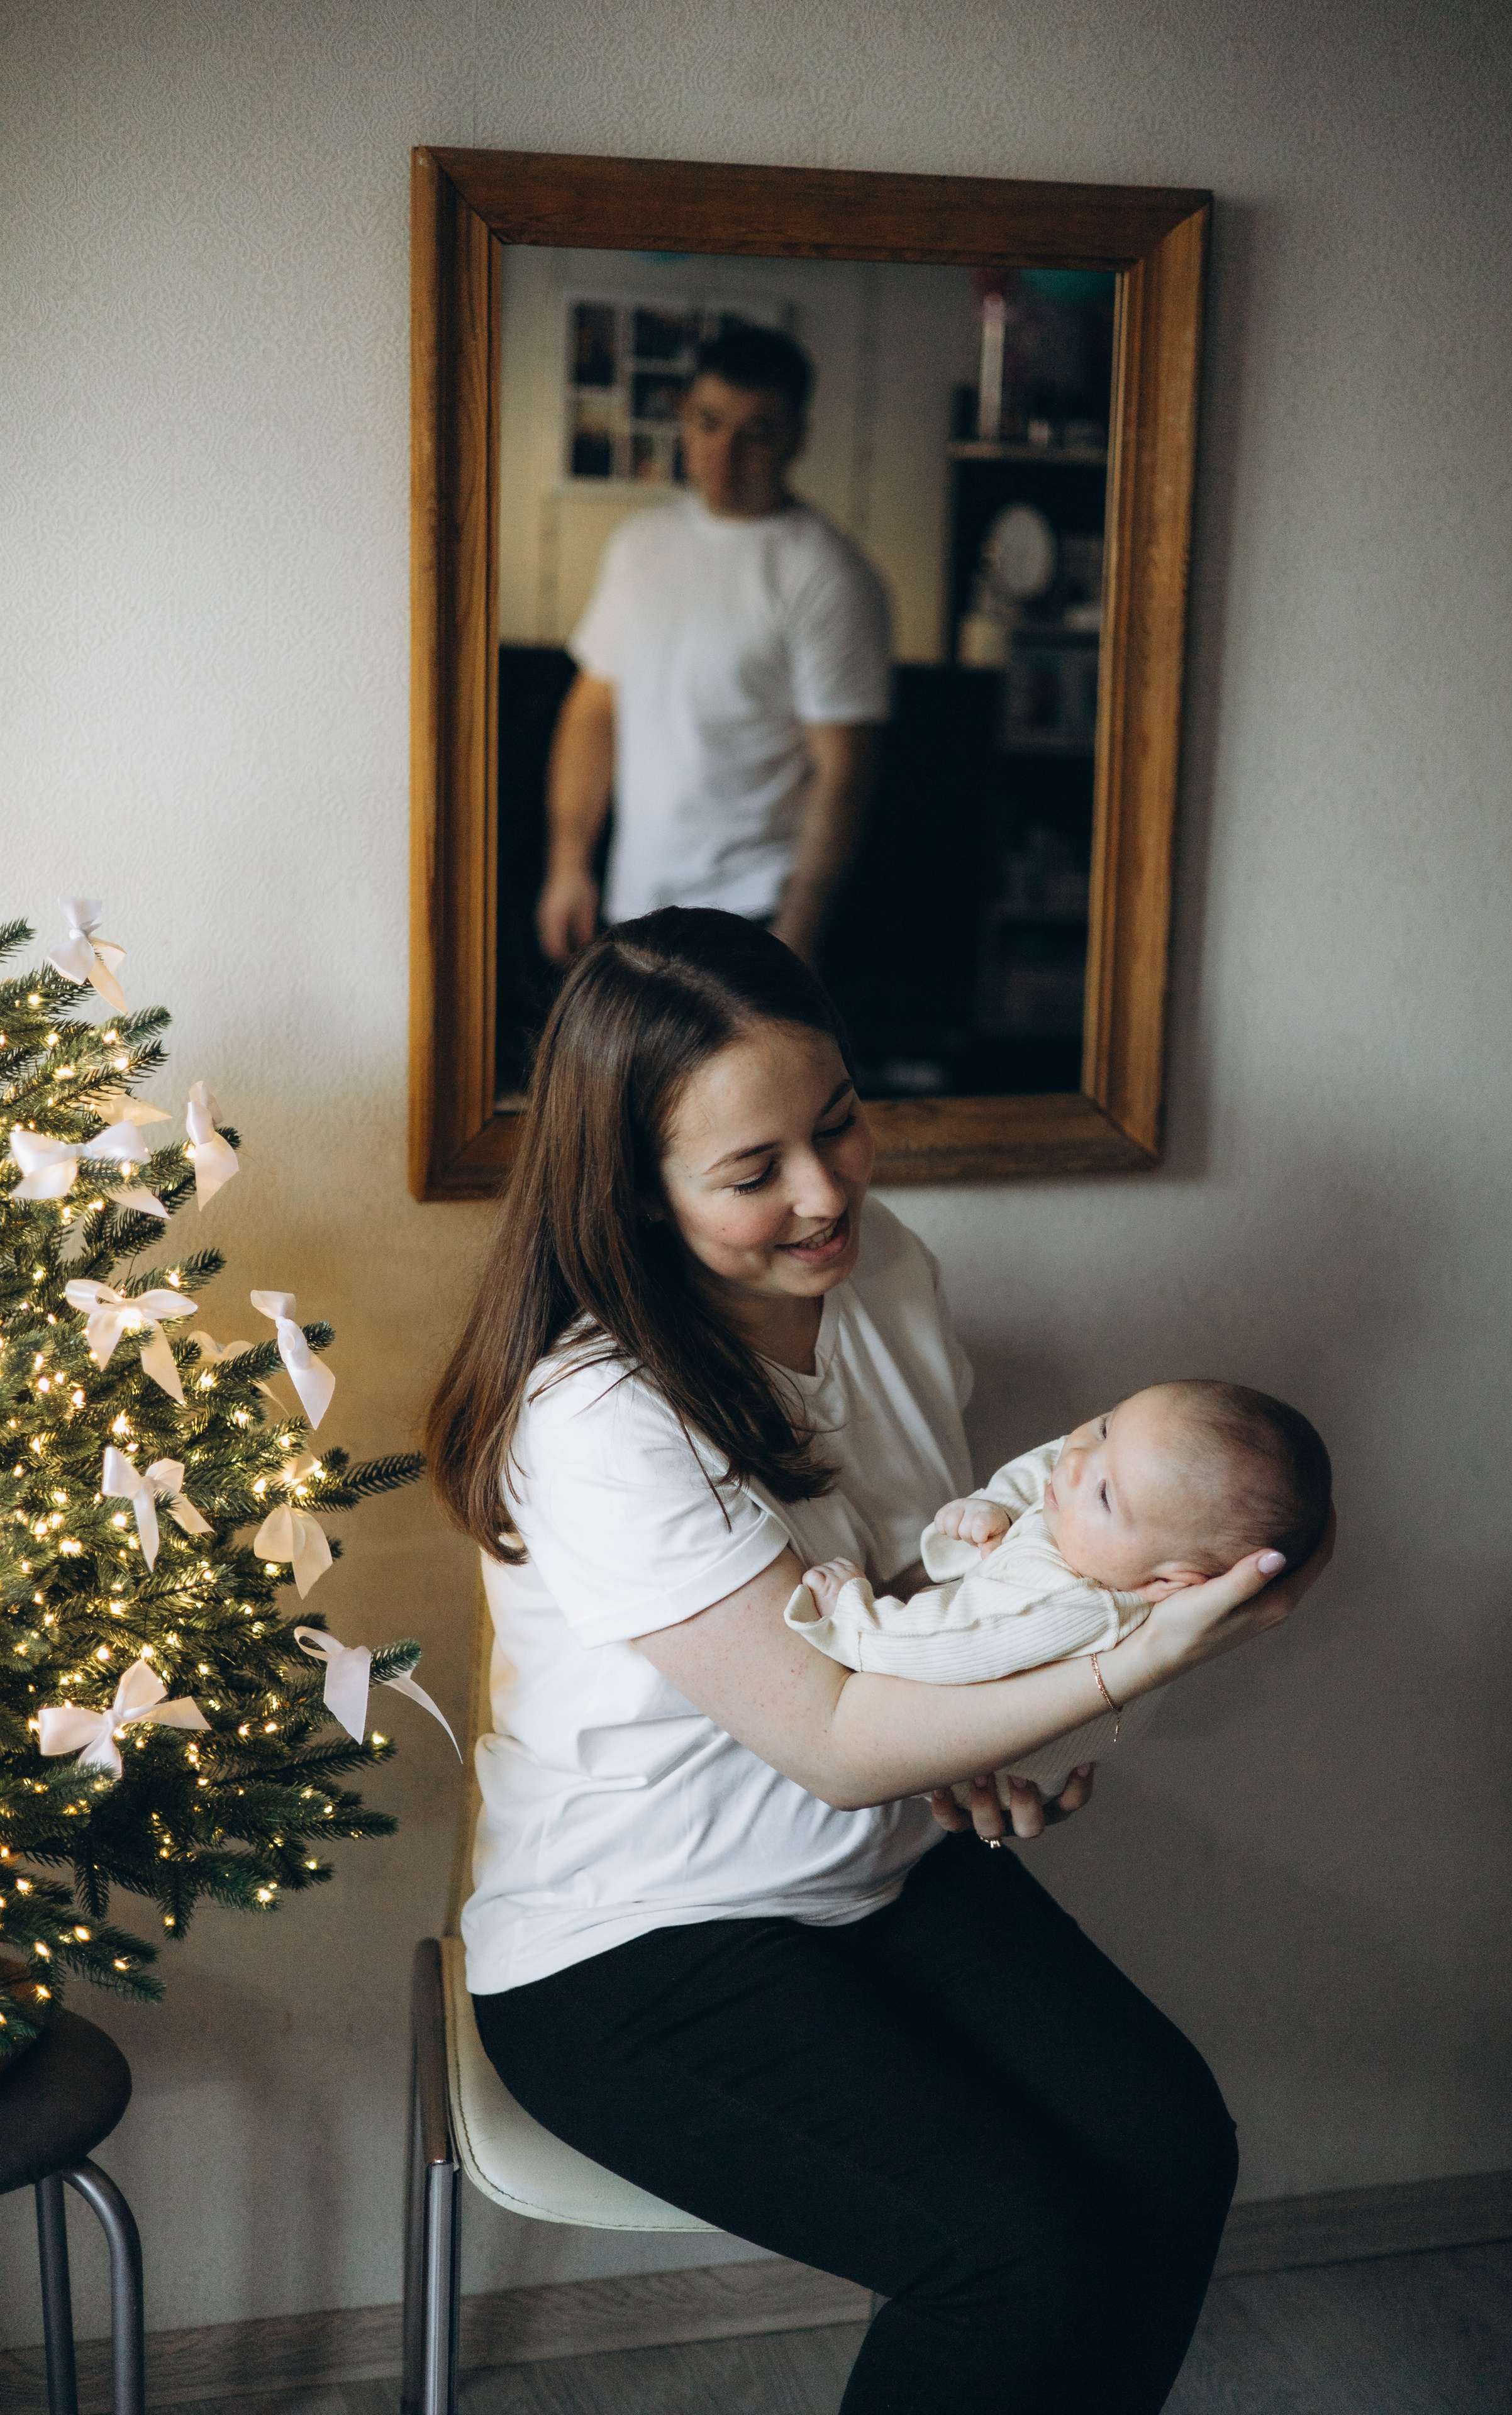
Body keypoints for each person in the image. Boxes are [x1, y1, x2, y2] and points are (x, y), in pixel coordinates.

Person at [426, 908, 1333, 2414]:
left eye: (837, 1121)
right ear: (637, 1197)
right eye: (750, 1171)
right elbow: (834, 1734)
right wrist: (1134, 1660)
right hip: (637, 1944)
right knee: (1012, 2255)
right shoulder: (598, 1420)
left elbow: (936, 1592)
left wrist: (990, 1746)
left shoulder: (888, 1271)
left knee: (1170, 2140)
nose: (824, 1189)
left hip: (882, 1869)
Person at [786, 1380, 1333, 1802]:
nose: (1073, 1461)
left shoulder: (1066, 1602)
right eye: (1105, 1427)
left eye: (1103, 1495)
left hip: (989, 1772)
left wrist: (851, 1613)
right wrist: (997, 1507)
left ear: (1165, 1583)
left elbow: (938, 1645)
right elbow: (1045, 1466)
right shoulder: (1101, 1511)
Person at [535, 325, 891, 967]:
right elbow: (592, 712)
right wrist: (568, 865)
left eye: (754, 433)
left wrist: (799, 929)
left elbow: (843, 772)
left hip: (752, 909)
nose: (724, 453)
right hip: (633, 902)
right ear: (684, 420)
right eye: (709, 422)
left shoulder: (827, 574)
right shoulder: (639, 544)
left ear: (796, 441)